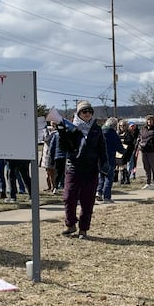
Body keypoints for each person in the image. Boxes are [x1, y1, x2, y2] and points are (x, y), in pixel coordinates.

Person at [57, 99, 107, 239]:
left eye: (90, 111)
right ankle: (70, 224)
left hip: (91, 169)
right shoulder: (71, 127)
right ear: (78, 113)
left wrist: (104, 163)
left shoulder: (96, 129)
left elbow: (102, 148)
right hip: (73, 167)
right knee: (68, 197)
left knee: (87, 201)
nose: (87, 114)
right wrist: (61, 133)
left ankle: (83, 229)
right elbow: (64, 147)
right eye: (84, 111)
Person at [97, 117, 125, 203]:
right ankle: (107, 197)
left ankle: (99, 192)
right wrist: (124, 151)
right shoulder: (112, 134)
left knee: (101, 175)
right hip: (109, 157)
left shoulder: (100, 132)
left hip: (99, 158)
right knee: (109, 177)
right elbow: (119, 147)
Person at [138, 115, 154, 190]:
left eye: (151, 120)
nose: (150, 122)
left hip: (152, 150)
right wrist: (139, 142)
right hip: (144, 150)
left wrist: (153, 139)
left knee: (153, 167)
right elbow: (139, 137)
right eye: (148, 120)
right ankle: (148, 183)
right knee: (146, 167)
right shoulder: (143, 129)